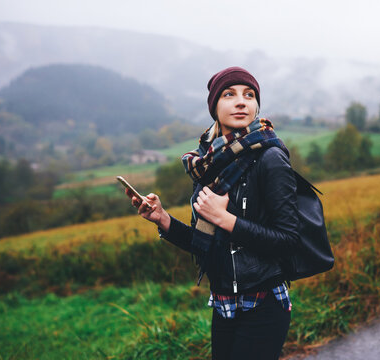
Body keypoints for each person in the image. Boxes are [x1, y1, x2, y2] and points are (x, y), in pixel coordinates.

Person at [126, 66, 299, 360]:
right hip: (223, 304)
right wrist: (163, 219)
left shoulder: (270, 157)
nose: (241, 101)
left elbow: (288, 239)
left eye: (249, 94)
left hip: (263, 302)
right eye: (229, 94)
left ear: (257, 105)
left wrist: (226, 220)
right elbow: (204, 242)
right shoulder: (209, 163)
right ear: (214, 106)